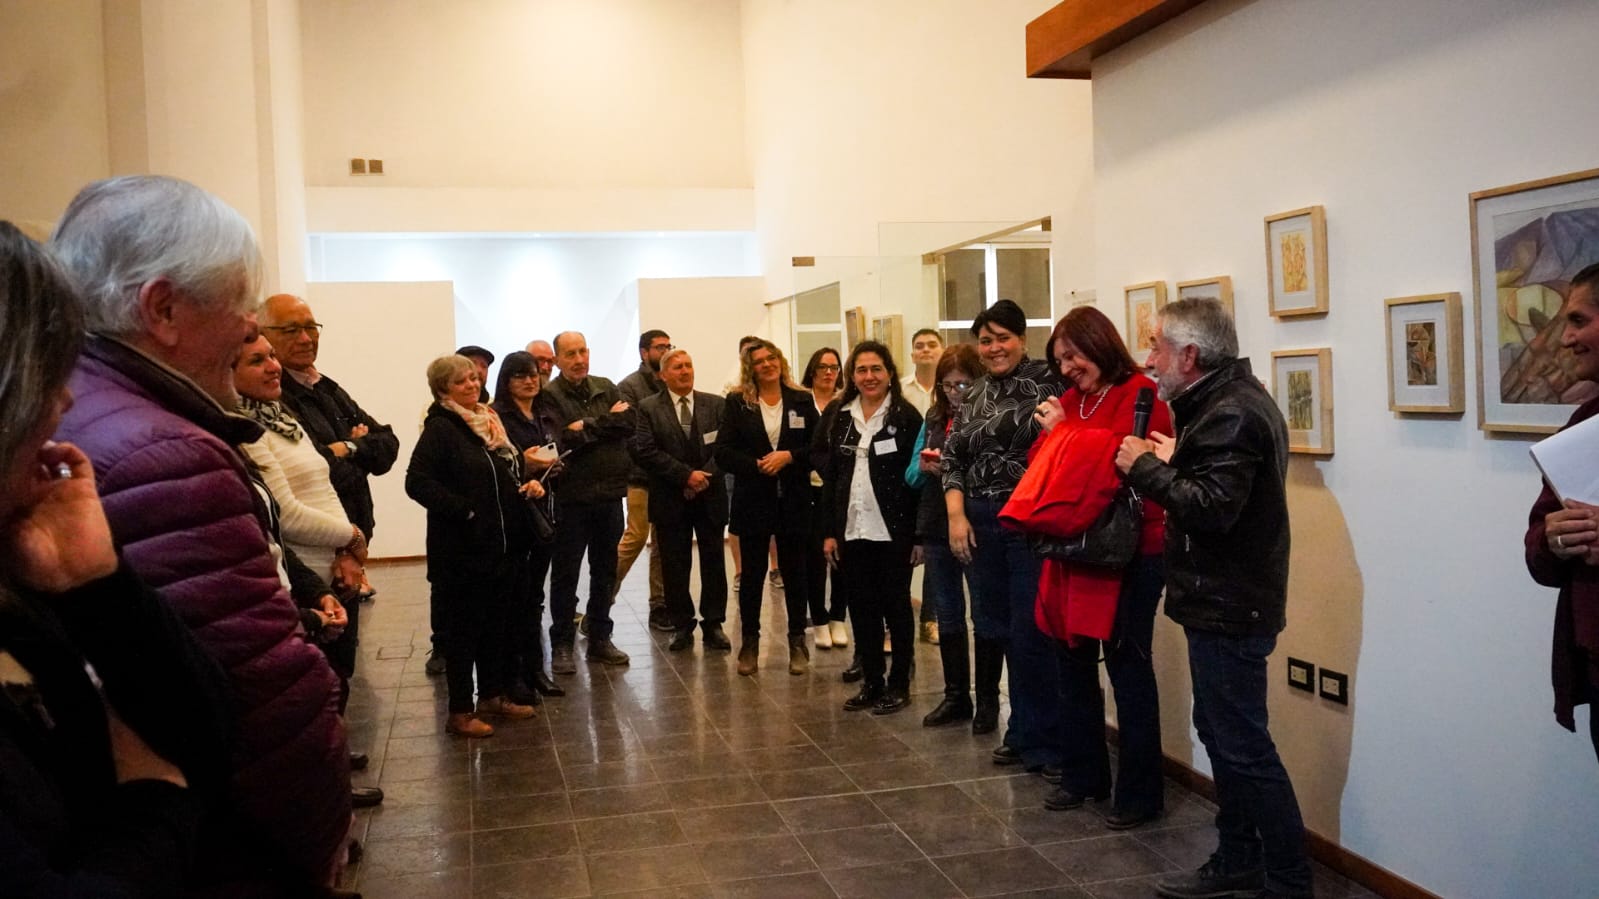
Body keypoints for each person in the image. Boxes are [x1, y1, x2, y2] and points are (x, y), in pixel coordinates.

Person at [50, 175, 352, 888]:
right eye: (240, 304)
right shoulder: (166, 453)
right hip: (229, 848)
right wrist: (316, 836)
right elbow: (263, 701)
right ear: (163, 309)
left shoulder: (85, 401)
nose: (252, 330)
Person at [0, 220, 238, 897]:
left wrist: (98, 584)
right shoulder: (162, 446)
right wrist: (157, 801)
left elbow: (205, 728)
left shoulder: (25, 567)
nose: (66, 399)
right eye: (48, 370)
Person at [1116, 297, 1311, 899]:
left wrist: (1146, 468)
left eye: (1156, 348)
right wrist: (1175, 461)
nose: (1149, 361)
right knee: (1225, 737)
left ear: (1190, 355)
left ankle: (1289, 881)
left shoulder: (1231, 412)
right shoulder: (1220, 404)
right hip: (1221, 601)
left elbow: (1213, 509)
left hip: (1231, 605)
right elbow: (1216, 491)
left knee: (1244, 748)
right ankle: (1238, 859)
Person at [234, 334, 385, 810]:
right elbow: (287, 514)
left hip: (333, 565)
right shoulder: (245, 429)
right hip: (301, 573)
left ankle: (332, 765)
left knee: (338, 679)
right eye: (257, 360)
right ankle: (325, 788)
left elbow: (325, 486)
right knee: (314, 691)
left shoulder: (282, 417)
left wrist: (346, 550)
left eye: (271, 357)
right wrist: (352, 536)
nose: (273, 366)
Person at [1033, 307, 1170, 827]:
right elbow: (1043, 465)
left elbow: (1128, 463)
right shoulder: (1072, 401)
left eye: (1074, 355)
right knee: (1071, 661)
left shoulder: (1142, 393)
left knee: (1127, 666)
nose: (1067, 368)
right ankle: (1083, 774)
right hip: (1075, 549)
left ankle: (1140, 794)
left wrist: (1064, 434)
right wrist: (1058, 436)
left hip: (1133, 550)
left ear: (1100, 343)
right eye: (1060, 360)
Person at [943, 299, 1064, 767]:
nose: (994, 348)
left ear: (1022, 339)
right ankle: (1022, 729)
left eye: (1003, 338)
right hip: (979, 521)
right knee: (998, 628)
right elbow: (952, 458)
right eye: (986, 340)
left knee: (1033, 630)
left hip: (1028, 521)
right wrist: (956, 516)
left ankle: (1048, 739)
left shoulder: (1049, 382)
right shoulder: (974, 393)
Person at [407, 354, 540, 738]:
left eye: (473, 378)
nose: (471, 384)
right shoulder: (442, 428)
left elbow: (499, 477)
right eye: (461, 381)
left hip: (502, 548)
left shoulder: (487, 422)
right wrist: (464, 510)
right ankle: (460, 711)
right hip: (463, 553)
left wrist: (525, 482)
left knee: (497, 627)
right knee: (464, 635)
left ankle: (493, 696)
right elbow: (417, 482)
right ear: (442, 390)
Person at [816, 341, 922, 714]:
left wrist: (919, 535)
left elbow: (919, 480)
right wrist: (829, 532)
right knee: (861, 609)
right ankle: (872, 682)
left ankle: (899, 684)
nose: (869, 376)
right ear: (852, 376)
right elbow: (831, 478)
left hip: (894, 531)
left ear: (890, 373)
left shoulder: (906, 417)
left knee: (896, 607)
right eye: (861, 370)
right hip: (852, 529)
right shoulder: (840, 415)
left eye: (876, 368)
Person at [1525, 260, 1599, 765]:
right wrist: (1553, 538)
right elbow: (1538, 552)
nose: (1566, 338)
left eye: (1578, 321)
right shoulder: (1584, 424)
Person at [716, 339, 817, 676]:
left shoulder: (802, 400)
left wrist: (789, 457)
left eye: (772, 358)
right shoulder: (737, 403)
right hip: (753, 500)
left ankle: (797, 642)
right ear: (751, 368)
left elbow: (818, 449)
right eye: (759, 361)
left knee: (795, 574)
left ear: (780, 361)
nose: (767, 364)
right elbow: (723, 452)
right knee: (752, 576)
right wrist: (756, 465)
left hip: (794, 501)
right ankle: (750, 644)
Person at [629, 349, 732, 652]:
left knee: (714, 563)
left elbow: (725, 447)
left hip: (709, 496)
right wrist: (686, 477)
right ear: (663, 375)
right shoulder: (648, 408)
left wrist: (702, 478)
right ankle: (682, 625)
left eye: (688, 365)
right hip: (670, 498)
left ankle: (714, 624)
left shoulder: (716, 404)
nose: (685, 371)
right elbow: (646, 451)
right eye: (677, 367)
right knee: (674, 566)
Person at [543, 331, 634, 670]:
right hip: (571, 498)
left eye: (582, 351)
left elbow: (628, 422)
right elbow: (563, 438)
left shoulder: (605, 386)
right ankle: (562, 643)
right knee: (565, 574)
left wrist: (589, 425)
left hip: (609, 495)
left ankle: (599, 637)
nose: (579, 359)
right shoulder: (549, 395)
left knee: (605, 571)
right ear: (557, 360)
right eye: (570, 354)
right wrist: (605, 423)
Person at [907, 343, 984, 727]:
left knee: (984, 615)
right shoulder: (934, 418)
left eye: (962, 385)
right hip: (938, 526)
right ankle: (956, 696)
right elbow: (910, 475)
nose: (954, 394)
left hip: (979, 525)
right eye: (947, 386)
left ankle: (988, 700)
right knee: (948, 613)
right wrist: (925, 468)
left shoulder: (989, 416)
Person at [491, 351, 566, 701]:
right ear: (506, 381)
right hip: (515, 515)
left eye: (533, 373)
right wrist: (526, 465)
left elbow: (557, 449)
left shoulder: (546, 413)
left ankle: (536, 670)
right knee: (514, 599)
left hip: (546, 512)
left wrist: (554, 465)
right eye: (520, 375)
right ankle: (515, 673)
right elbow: (495, 464)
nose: (529, 380)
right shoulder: (496, 417)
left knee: (534, 596)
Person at [617, 329, 671, 630]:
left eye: (668, 346)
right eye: (659, 347)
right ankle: (603, 599)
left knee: (663, 542)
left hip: (667, 476)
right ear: (644, 352)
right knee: (636, 537)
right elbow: (632, 434)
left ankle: (659, 605)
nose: (665, 351)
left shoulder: (670, 381)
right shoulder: (629, 387)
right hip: (640, 474)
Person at [801, 346, 849, 651]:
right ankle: (818, 619)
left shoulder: (846, 402)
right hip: (808, 489)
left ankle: (838, 617)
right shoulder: (801, 401)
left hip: (839, 489)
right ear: (813, 370)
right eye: (823, 367)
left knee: (841, 554)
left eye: (834, 367)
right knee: (815, 557)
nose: (829, 373)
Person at [905, 328, 945, 644]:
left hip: (938, 482)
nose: (926, 350)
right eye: (920, 346)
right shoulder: (901, 390)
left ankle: (930, 618)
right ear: (912, 354)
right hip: (908, 478)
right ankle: (898, 619)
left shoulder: (950, 391)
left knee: (933, 554)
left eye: (932, 345)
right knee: (906, 551)